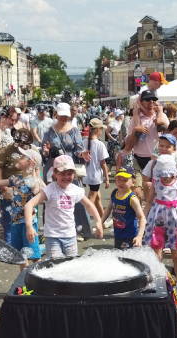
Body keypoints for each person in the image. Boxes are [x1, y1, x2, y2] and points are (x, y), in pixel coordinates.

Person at [24, 155, 103, 258]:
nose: (66, 177)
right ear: (55, 173)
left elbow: (89, 204)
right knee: (55, 266)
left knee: (70, 265)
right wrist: (29, 226)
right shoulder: (49, 190)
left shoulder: (75, 190)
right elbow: (29, 205)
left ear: (74, 175)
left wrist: (98, 221)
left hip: (70, 236)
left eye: (70, 173)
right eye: (62, 173)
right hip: (53, 236)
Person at [142, 153, 177, 297]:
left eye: (167, 174)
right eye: (161, 174)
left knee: (176, 254)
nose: (163, 177)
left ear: (173, 172)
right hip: (157, 219)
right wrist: (143, 218)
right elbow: (150, 201)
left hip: (174, 220)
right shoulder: (156, 182)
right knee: (157, 252)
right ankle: (155, 281)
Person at [42, 102, 94, 240]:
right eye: (61, 115)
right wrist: (46, 152)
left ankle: (83, 228)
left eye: (66, 115)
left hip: (70, 166)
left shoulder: (74, 130)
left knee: (76, 196)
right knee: (53, 198)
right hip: (54, 167)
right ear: (56, 114)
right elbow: (44, 153)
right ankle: (53, 229)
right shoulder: (49, 131)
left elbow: (78, 149)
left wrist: (83, 154)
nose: (64, 118)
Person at [0, 147, 43, 269]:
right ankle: (23, 282)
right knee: (21, 256)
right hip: (15, 222)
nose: (19, 158)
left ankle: (38, 279)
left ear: (31, 162)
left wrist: (35, 175)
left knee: (35, 256)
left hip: (29, 223)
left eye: (22, 157)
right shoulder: (15, 179)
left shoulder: (35, 182)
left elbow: (43, 191)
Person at [123, 89, 169, 195]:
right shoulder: (136, 119)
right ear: (142, 102)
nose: (151, 101)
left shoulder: (162, 116)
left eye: (154, 99)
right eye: (148, 99)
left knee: (153, 193)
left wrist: (165, 126)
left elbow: (170, 138)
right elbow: (129, 145)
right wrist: (135, 130)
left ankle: (148, 211)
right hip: (139, 160)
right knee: (136, 192)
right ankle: (140, 211)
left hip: (157, 160)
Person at [102, 166, 146, 250]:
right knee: (119, 258)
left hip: (131, 236)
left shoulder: (132, 199)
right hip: (118, 234)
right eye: (119, 179)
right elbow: (108, 208)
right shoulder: (114, 193)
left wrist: (140, 236)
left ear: (133, 182)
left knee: (129, 260)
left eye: (125, 180)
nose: (121, 183)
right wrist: (101, 222)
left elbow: (142, 217)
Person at [84, 118, 110, 223]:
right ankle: (82, 222)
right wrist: (107, 178)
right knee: (90, 200)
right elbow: (103, 163)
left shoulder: (84, 141)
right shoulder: (100, 144)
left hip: (86, 174)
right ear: (99, 129)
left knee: (97, 197)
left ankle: (103, 219)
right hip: (95, 176)